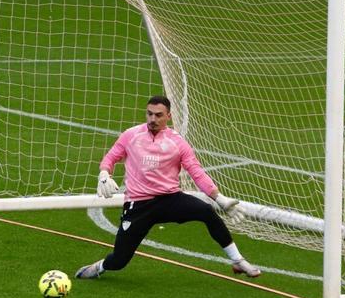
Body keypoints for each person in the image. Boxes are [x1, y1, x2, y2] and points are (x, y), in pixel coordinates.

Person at [74, 96, 260, 281]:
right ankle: (100, 266)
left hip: (170, 199)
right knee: (120, 261)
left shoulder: (177, 142)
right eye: (149, 114)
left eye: (158, 115)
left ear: (168, 116)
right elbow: (110, 158)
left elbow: (196, 171)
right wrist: (104, 174)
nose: (153, 119)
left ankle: (237, 260)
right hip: (139, 204)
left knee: (206, 211)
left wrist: (219, 198)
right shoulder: (131, 135)